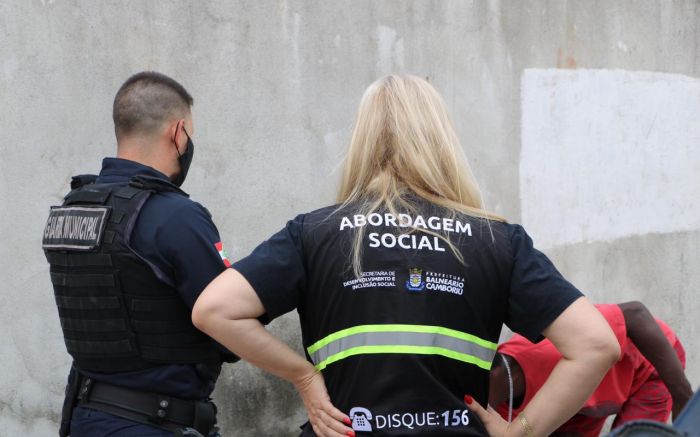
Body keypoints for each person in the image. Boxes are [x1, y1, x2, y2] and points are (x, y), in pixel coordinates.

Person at [191, 74, 620, 437]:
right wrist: (521, 431)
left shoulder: (315, 232)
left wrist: (303, 377)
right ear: (442, 140)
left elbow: (214, 309)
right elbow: (596, 344)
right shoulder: (497, 239)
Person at [42, 71, 236, 437]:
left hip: (85, 418)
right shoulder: (175, 216)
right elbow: (229, 328)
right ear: (178, 133)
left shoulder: (72, 209)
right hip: (155, 422)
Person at [489, 302, 693, 436]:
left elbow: (636, 314)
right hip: (586, 402)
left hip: (646, 370)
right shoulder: (496, 407)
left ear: (494, 375)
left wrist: (682, 394)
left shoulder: (548, 349)